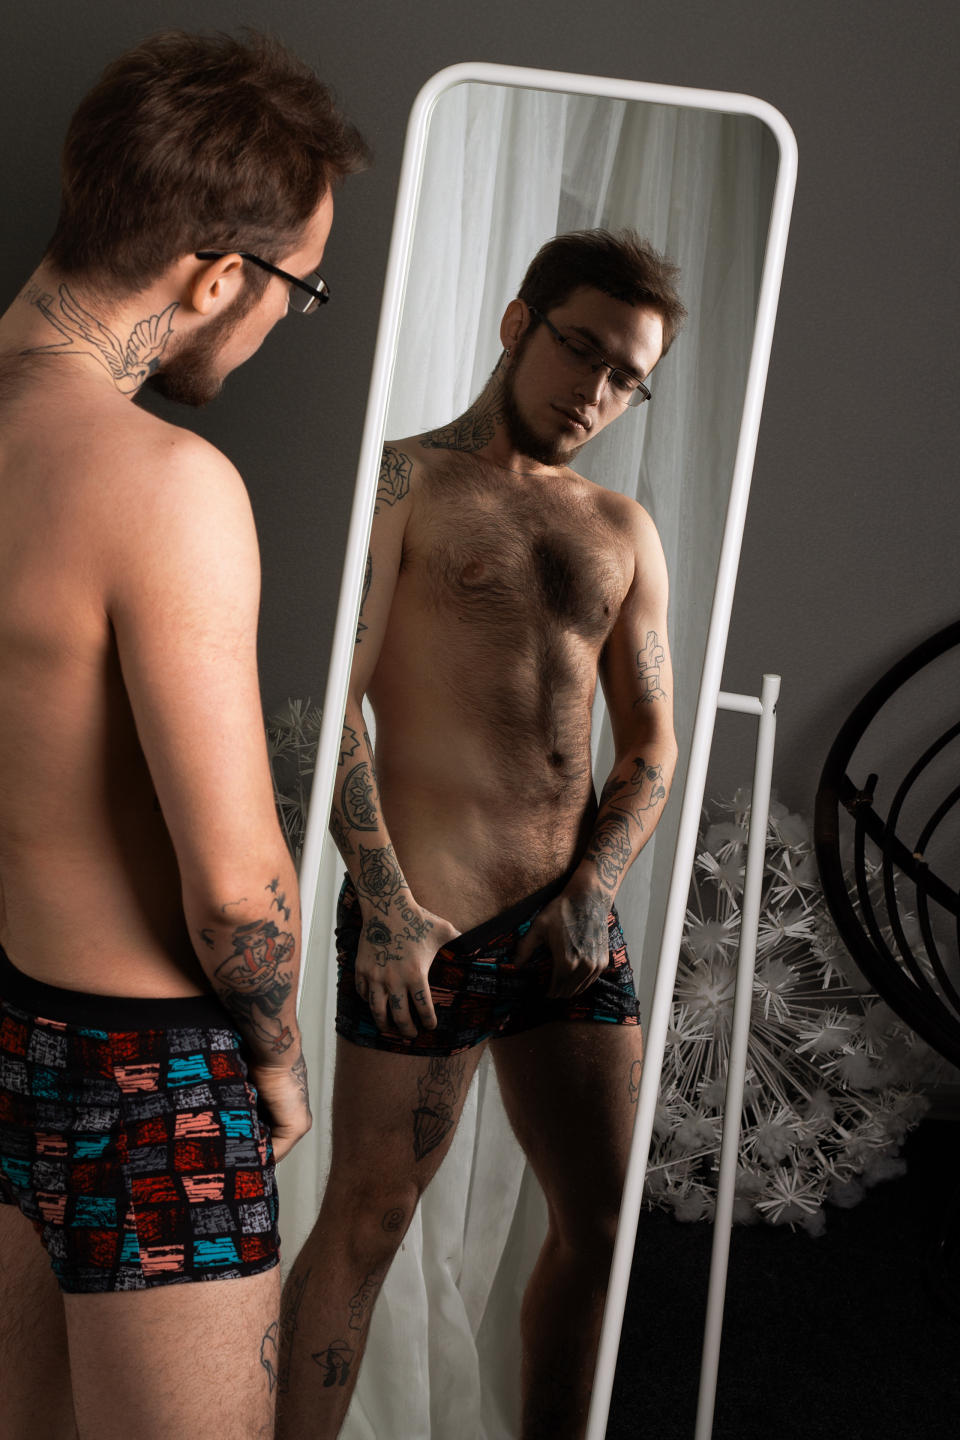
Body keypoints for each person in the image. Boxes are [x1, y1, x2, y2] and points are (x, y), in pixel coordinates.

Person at [0, 30, 368, 1440]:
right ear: (219, 276)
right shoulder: (167, 486)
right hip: (151, 1074)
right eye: (297, 288)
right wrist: (278, 1063)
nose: (282, 319)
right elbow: (234, 887)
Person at [277, 229, 686, 1439]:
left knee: (602, 1228)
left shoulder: (622, 528)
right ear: (518, 325)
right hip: (429, 924)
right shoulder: (402, 483)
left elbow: (652, 742)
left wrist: (593, 888)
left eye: (627, 378)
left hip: (571, 925)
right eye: (581, 349)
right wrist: (385, 904)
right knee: (366, 1223)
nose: (596, 391)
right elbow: (330, 702)